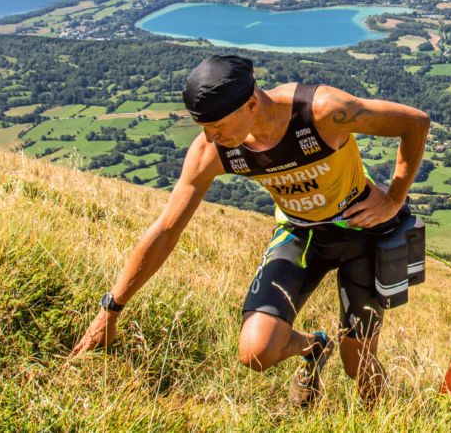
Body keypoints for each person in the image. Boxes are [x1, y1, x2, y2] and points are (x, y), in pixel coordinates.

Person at [70, 55, 431, 408]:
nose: (210, 138)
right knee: (255, 352)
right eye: (204, 128)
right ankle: (314, 345)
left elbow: (414, 123)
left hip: (361, 234)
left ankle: (382, 416)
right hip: (301, 234)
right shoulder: (214, 151)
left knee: (360, 366)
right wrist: (111, 309)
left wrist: (393, 199)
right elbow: (166, 229)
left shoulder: (321, 111)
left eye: (218, 126)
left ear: (251, 103)